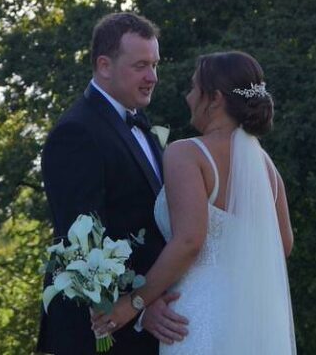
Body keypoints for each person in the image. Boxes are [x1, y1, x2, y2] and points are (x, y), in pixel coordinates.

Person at [89, 50, 295, 354]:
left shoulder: (187, 153)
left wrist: (133, 303)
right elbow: (284, 245)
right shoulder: (266, 167)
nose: (188, 97)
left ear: (214, 99)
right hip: (252, 320)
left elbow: (189, 241)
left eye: (193, 88)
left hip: (197, 317)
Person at [38, 12, 191, 354]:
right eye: (140, 66)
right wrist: (138, 306)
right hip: (98, 335)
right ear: (104, 66)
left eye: (155, 65)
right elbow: (81, 243)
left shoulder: (139, 122)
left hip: (143, 330)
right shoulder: (76, 133)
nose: (152, 77)